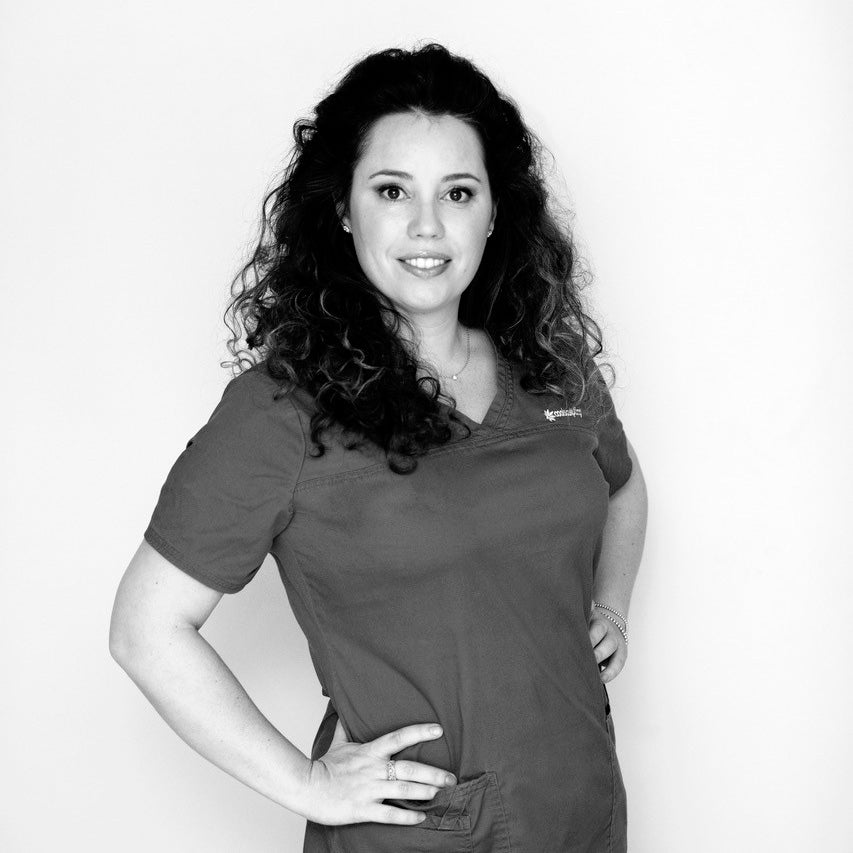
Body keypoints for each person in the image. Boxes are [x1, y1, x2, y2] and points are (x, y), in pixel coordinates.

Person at [109, 42, 648, 853]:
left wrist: (609, 605)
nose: (426, 225)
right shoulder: (280, 412)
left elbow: (622, 485)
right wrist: (306, 782)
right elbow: (145, 628)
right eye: (392, 190)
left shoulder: (551, 367)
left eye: (457, 192)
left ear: (493, 212)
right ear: (342, 207)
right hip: (417, 836)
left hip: (582, 810)